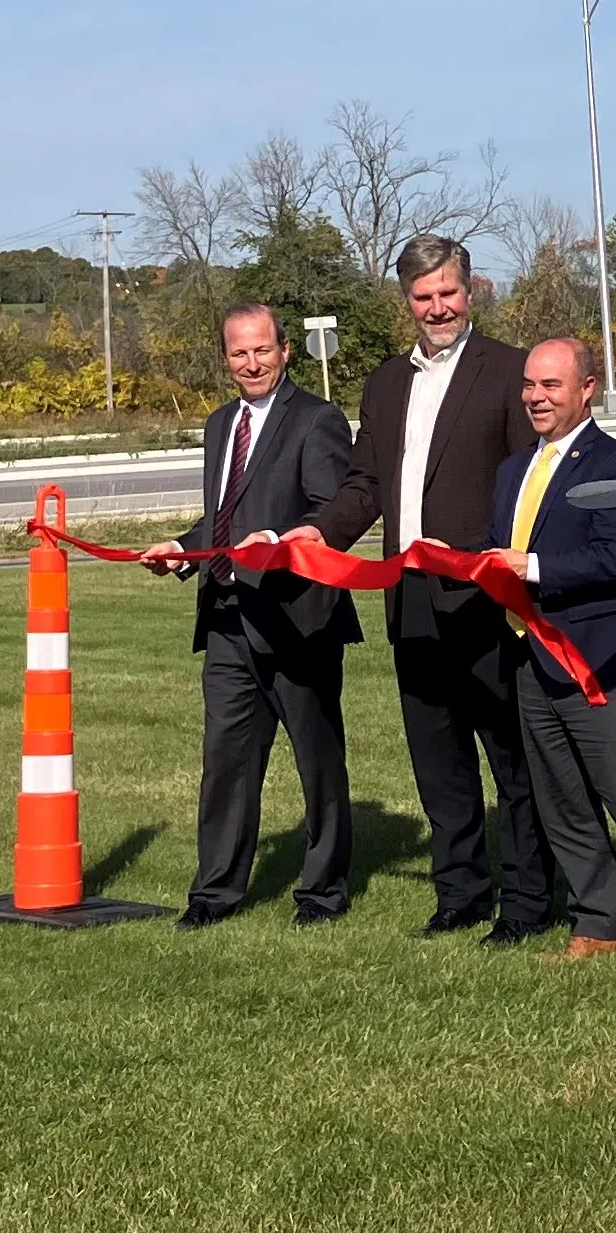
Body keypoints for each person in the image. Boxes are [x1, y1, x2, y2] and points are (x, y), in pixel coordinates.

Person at [281, 235, 555, 945]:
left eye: (447, 293)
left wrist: (505, 559)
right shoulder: (384, 382)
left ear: (470, 291)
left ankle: (527, 900)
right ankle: (459, 892)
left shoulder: (508, 372)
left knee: (511, 758)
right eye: (423, 297)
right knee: (438, 760)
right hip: (409, 601)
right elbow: (364, 483)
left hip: (484, 597)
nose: (437, 307)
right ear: (406, 301)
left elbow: (529, 479)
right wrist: (319, 533)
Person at [141, 303, 362, 929]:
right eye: (240, 353)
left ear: (286, 350)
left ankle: (322, 893)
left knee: (317, 759)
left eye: (262, 349)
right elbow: (221, 519)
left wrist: (278, 540)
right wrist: (184, 550)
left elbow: (329, 512)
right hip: (226, 617)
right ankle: (213, 895)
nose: (252, 362)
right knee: (227, 761)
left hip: (297, 615)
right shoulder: (219, 425)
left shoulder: (316, 420)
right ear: (226, 359)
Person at [486, 339, 616, 968]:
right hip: (530, 661)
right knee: (562, 801)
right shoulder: (512, 470)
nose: (536, 398)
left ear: (587, 388)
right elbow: (499, 548)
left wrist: (533, 566)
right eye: (529, 385)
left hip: (602, 662)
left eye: (550, 386)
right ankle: (598, 921)